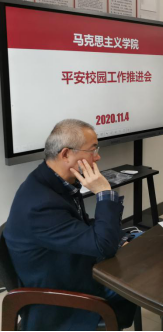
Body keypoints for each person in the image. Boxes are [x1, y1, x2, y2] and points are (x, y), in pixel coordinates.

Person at [3, 119, 136, 331]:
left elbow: (80, 226)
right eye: (93, 150)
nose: (98, 157)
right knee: (143, 273)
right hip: (66, 296)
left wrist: (122, 239)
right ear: (66, 154)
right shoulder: (40, 205)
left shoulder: (52, 180)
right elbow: (102, 246)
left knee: (143, 247)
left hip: (72, 265)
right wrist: (104, 193)